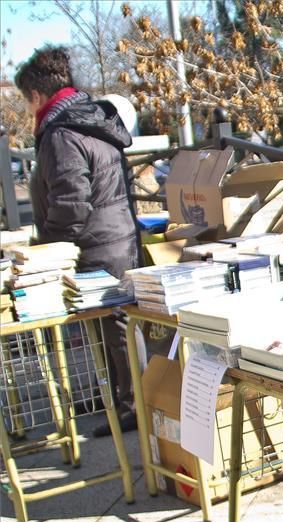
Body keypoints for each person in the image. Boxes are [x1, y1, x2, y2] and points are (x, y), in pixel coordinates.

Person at [16, 46, 141, 436]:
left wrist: (48, 250)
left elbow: (71, 201)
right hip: (115, 237)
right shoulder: (87, 119)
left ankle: (132, 406)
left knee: (115, 328)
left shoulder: (61, 132)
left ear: (36, 96)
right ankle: (127, 403)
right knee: (118, 326)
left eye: (24, 101)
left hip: (94, 243)